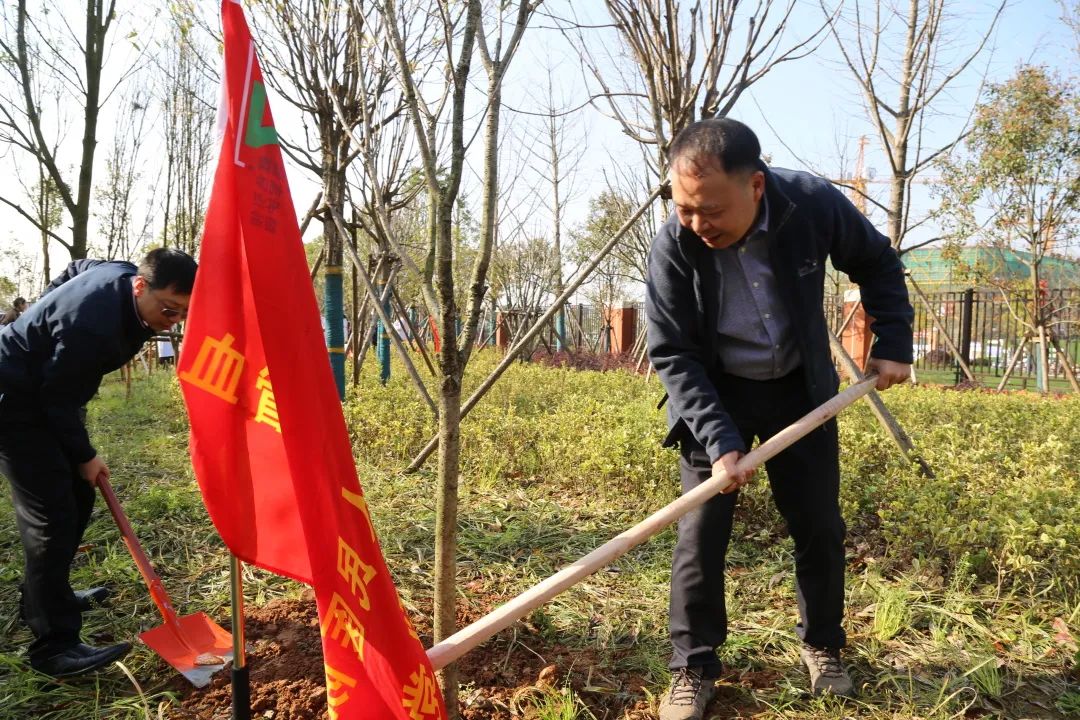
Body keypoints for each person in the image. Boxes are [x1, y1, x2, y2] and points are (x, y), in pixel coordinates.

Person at [645, 118, 912, 720]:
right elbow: (673, 353)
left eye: (711, 209)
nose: (697, 223)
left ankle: (823, 646)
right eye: (684, 208)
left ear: (756, 185)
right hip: (715, 393)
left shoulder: (811, 203)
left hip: (800, 389)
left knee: (818, 524)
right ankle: (693, 666)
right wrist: (719, 440)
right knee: (700, 532)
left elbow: (876, 260)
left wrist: (894, 338)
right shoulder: (675, 244)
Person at [0, 248, 197, 679]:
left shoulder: (118, 273)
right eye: (169, 309)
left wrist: (44, 313)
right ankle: (54, 646)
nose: (173, 321)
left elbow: (77, 268)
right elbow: (58, 401)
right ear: (140, 287)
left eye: (183, 313)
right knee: (51, 517)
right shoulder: (93, 327)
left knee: (78, 497)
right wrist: (86, 455)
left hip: (47, 393)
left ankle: (45, 597)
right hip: (14, 401)